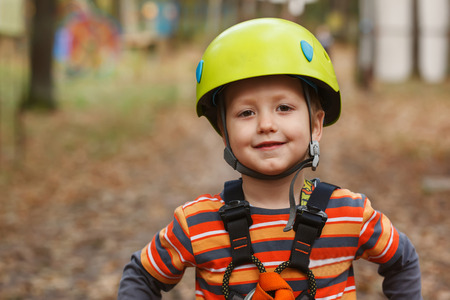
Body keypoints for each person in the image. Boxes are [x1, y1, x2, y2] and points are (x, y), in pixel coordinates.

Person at [118, 18, 422, 300]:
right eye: (246, 112)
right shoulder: (197, 224)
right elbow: (141, 275)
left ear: (316, 125)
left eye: (284, 108)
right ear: (224, 133)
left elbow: (403, 261)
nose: (266, 124)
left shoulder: (349, 214)